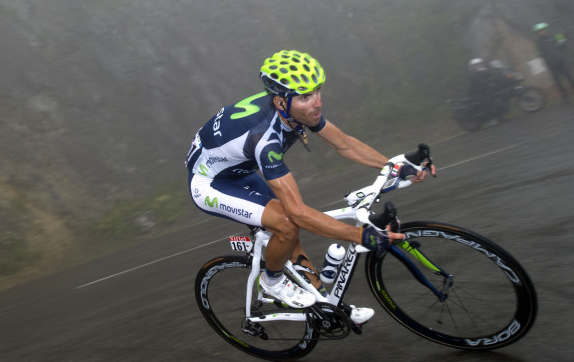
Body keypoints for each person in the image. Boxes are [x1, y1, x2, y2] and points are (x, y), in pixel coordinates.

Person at [184, 50, 434, 325]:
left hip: (239, 170)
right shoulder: (264, 140)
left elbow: (344, 143)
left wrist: (395, 167)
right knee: (288, 223)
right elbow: (299, 213)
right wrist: (360, 236)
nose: (317, 102)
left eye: (317, 91)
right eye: (305, 97)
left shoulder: (294, 110)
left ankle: (325, 306)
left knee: (291, 237)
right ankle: (272, 281)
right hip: (210, 184)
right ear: (280, 101)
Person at [533, 22, 574, 99]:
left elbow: (563, 46)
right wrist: (545, 59)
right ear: (537, 33)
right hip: (551, 63)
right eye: (539, 31)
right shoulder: (538, 43)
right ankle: (564, 94)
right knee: (557, 81)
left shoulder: (554, 36)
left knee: (568, 75)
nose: (541, 32)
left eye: (543, 30)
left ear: (546, 30)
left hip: (561, 60)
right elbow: (539, 54)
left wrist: (561, 51)